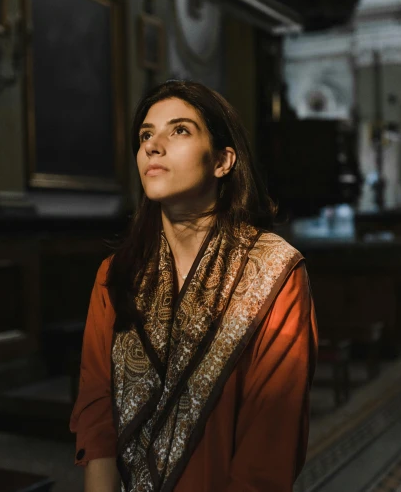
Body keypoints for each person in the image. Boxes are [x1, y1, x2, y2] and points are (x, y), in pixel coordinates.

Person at [70, 80, 319, 492]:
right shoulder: (118, 274)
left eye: (179, 130)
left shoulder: (276, 273)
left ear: (223, 160)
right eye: (146, 134)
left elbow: (269, 446)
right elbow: (98, 415)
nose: (153, 145)